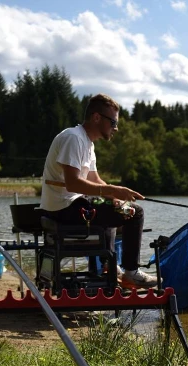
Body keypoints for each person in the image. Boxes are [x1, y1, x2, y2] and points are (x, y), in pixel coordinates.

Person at [39, 93, 157, 289]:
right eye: (113, 122)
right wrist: (112, 190)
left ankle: (110, 267)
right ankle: (131, 272)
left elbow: (94, 180)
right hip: (62, 208)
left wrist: (114, 197)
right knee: (136, 213)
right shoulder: (73, 138)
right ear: (96, 117)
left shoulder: (87, 143)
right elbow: (73, 184)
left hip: (71, 205)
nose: (116, 128)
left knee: (115, 208)